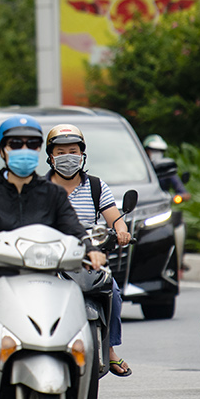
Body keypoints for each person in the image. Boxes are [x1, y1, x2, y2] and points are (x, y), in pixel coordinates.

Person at [0, 116, 89, 331]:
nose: (25, 149)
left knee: (75, 318)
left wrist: (90, 248)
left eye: (33, 144)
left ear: (39, 150)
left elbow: (72, 227)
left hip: (46, 280)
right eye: (16, 144)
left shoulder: (53, 193)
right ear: (2, 150)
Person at [44, 123, 133, 377]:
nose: (67, 157)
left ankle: (111, 349)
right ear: (50, 157)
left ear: (82, 154)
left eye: (72, 151)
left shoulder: (96, 186)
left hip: (90, 256)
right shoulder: (40, 188)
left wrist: (122, 230)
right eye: (60, 152)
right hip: (51, 258)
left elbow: (114, 218)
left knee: (113, 291)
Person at [143, 134, 189, 199]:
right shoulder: (139, 169)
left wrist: (173, 197)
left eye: (160, 151)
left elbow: (184, 193)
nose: (157, 153)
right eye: (153, 150)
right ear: (145, 150)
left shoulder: (165, 168)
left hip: (161, 202)